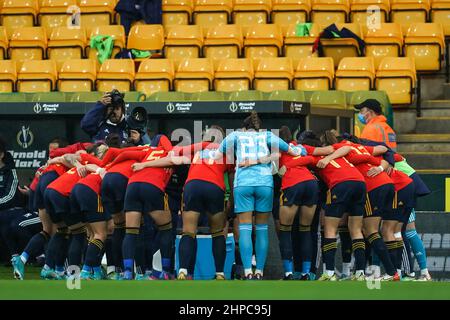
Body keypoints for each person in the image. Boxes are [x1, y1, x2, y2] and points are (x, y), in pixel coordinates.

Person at [214, 111, 302, 280]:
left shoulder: (235, 135)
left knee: (245, 227)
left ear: (244, 127)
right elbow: (292, 150)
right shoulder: (268, 135)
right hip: (264, 183)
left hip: (243, 184)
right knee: (262, 228)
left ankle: (247, 271)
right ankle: (259, 271)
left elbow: (218, 154)